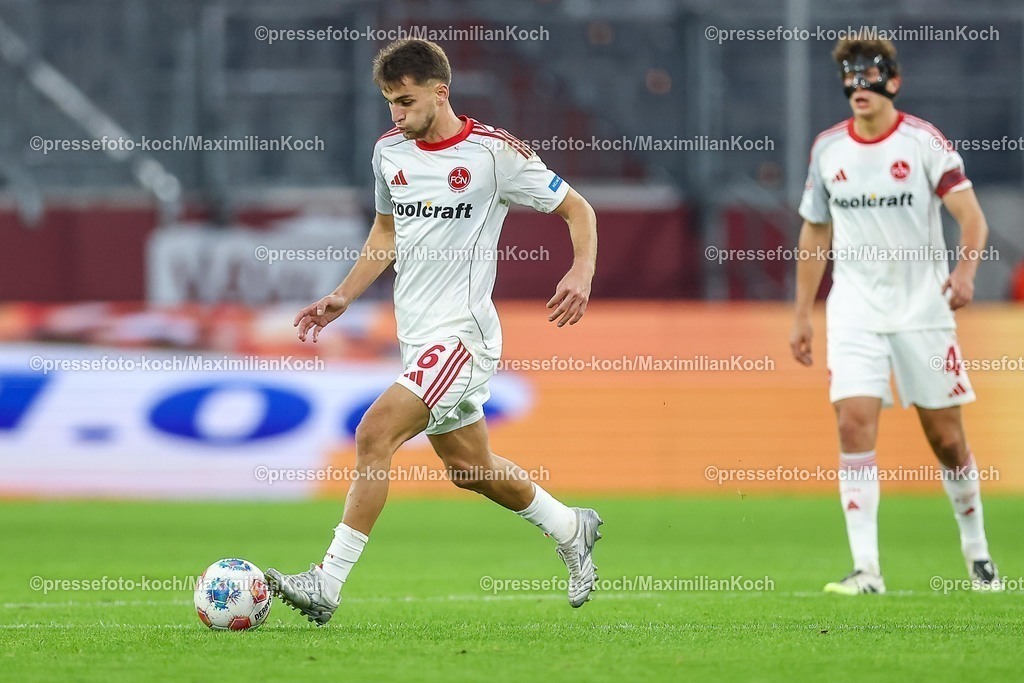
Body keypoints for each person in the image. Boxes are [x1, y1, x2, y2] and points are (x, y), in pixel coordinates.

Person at [266, 39, 602, 624]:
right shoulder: (389, 152)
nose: (396, 115)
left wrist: (580, 270)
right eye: (389, 104)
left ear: (439, 92)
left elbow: (579, 210)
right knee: (472, 469)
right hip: (418, 338)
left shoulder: (494, 154)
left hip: (463, 338)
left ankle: (326, 583)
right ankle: (571, 525)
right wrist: (343, 295)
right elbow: (384, 233)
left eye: (405, 101)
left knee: (374, 434)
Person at [790, 38, 1001, 594]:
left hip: (922, 310)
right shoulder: (827, 150)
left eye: (869, 75)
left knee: (947, 438)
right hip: (855, 310)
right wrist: (802, 315)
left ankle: (978, 555)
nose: (858, 84)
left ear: (893, 82)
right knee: (853, 422)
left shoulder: (923, 142)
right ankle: (867, 570)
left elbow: (972, 218)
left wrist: (964, 273)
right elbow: (814, 231)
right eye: (849, 76)